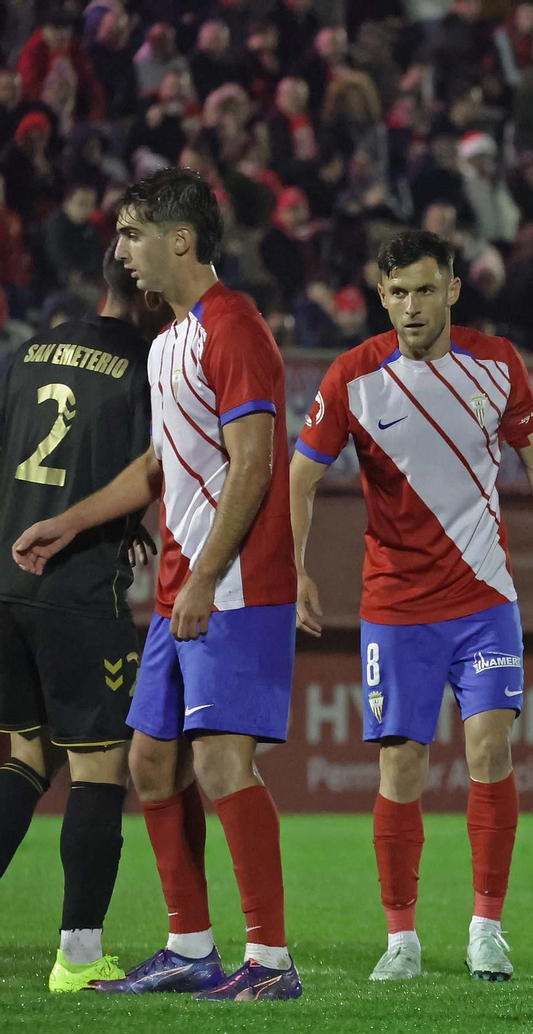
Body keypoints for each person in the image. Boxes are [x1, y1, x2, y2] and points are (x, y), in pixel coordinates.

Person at [13, 168, 301, 1001]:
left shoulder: (236, 327)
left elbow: (254, 462)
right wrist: (70, 521)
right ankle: (189, 948)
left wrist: (207, 575)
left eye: (133, 234)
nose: (120, 251)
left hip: (235, 586)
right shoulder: (170, 339)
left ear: (181, 240)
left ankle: (270, 963)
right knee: (149, 763)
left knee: (218, 765)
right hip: (184, 587)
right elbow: (154, 468)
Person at [290, 229, 533, 983]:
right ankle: (402, 939)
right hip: (395, 606)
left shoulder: (497, 363)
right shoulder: (354, 376)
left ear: (453, 288)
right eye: (397, 293)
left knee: (490, 747)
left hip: (485, 597)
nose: (411, 306)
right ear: (380, 296)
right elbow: (298, 478)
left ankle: (487, 927)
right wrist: (293, 569)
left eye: (425, 289)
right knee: (403, 765)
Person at [0, 246, 168, 992]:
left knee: (29, 755)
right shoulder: (149, 364)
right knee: (101, 766)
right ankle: (78, 954)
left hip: (6, 576)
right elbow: (152, 469)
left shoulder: (29, 349)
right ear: (152, 296)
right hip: (75, 586)